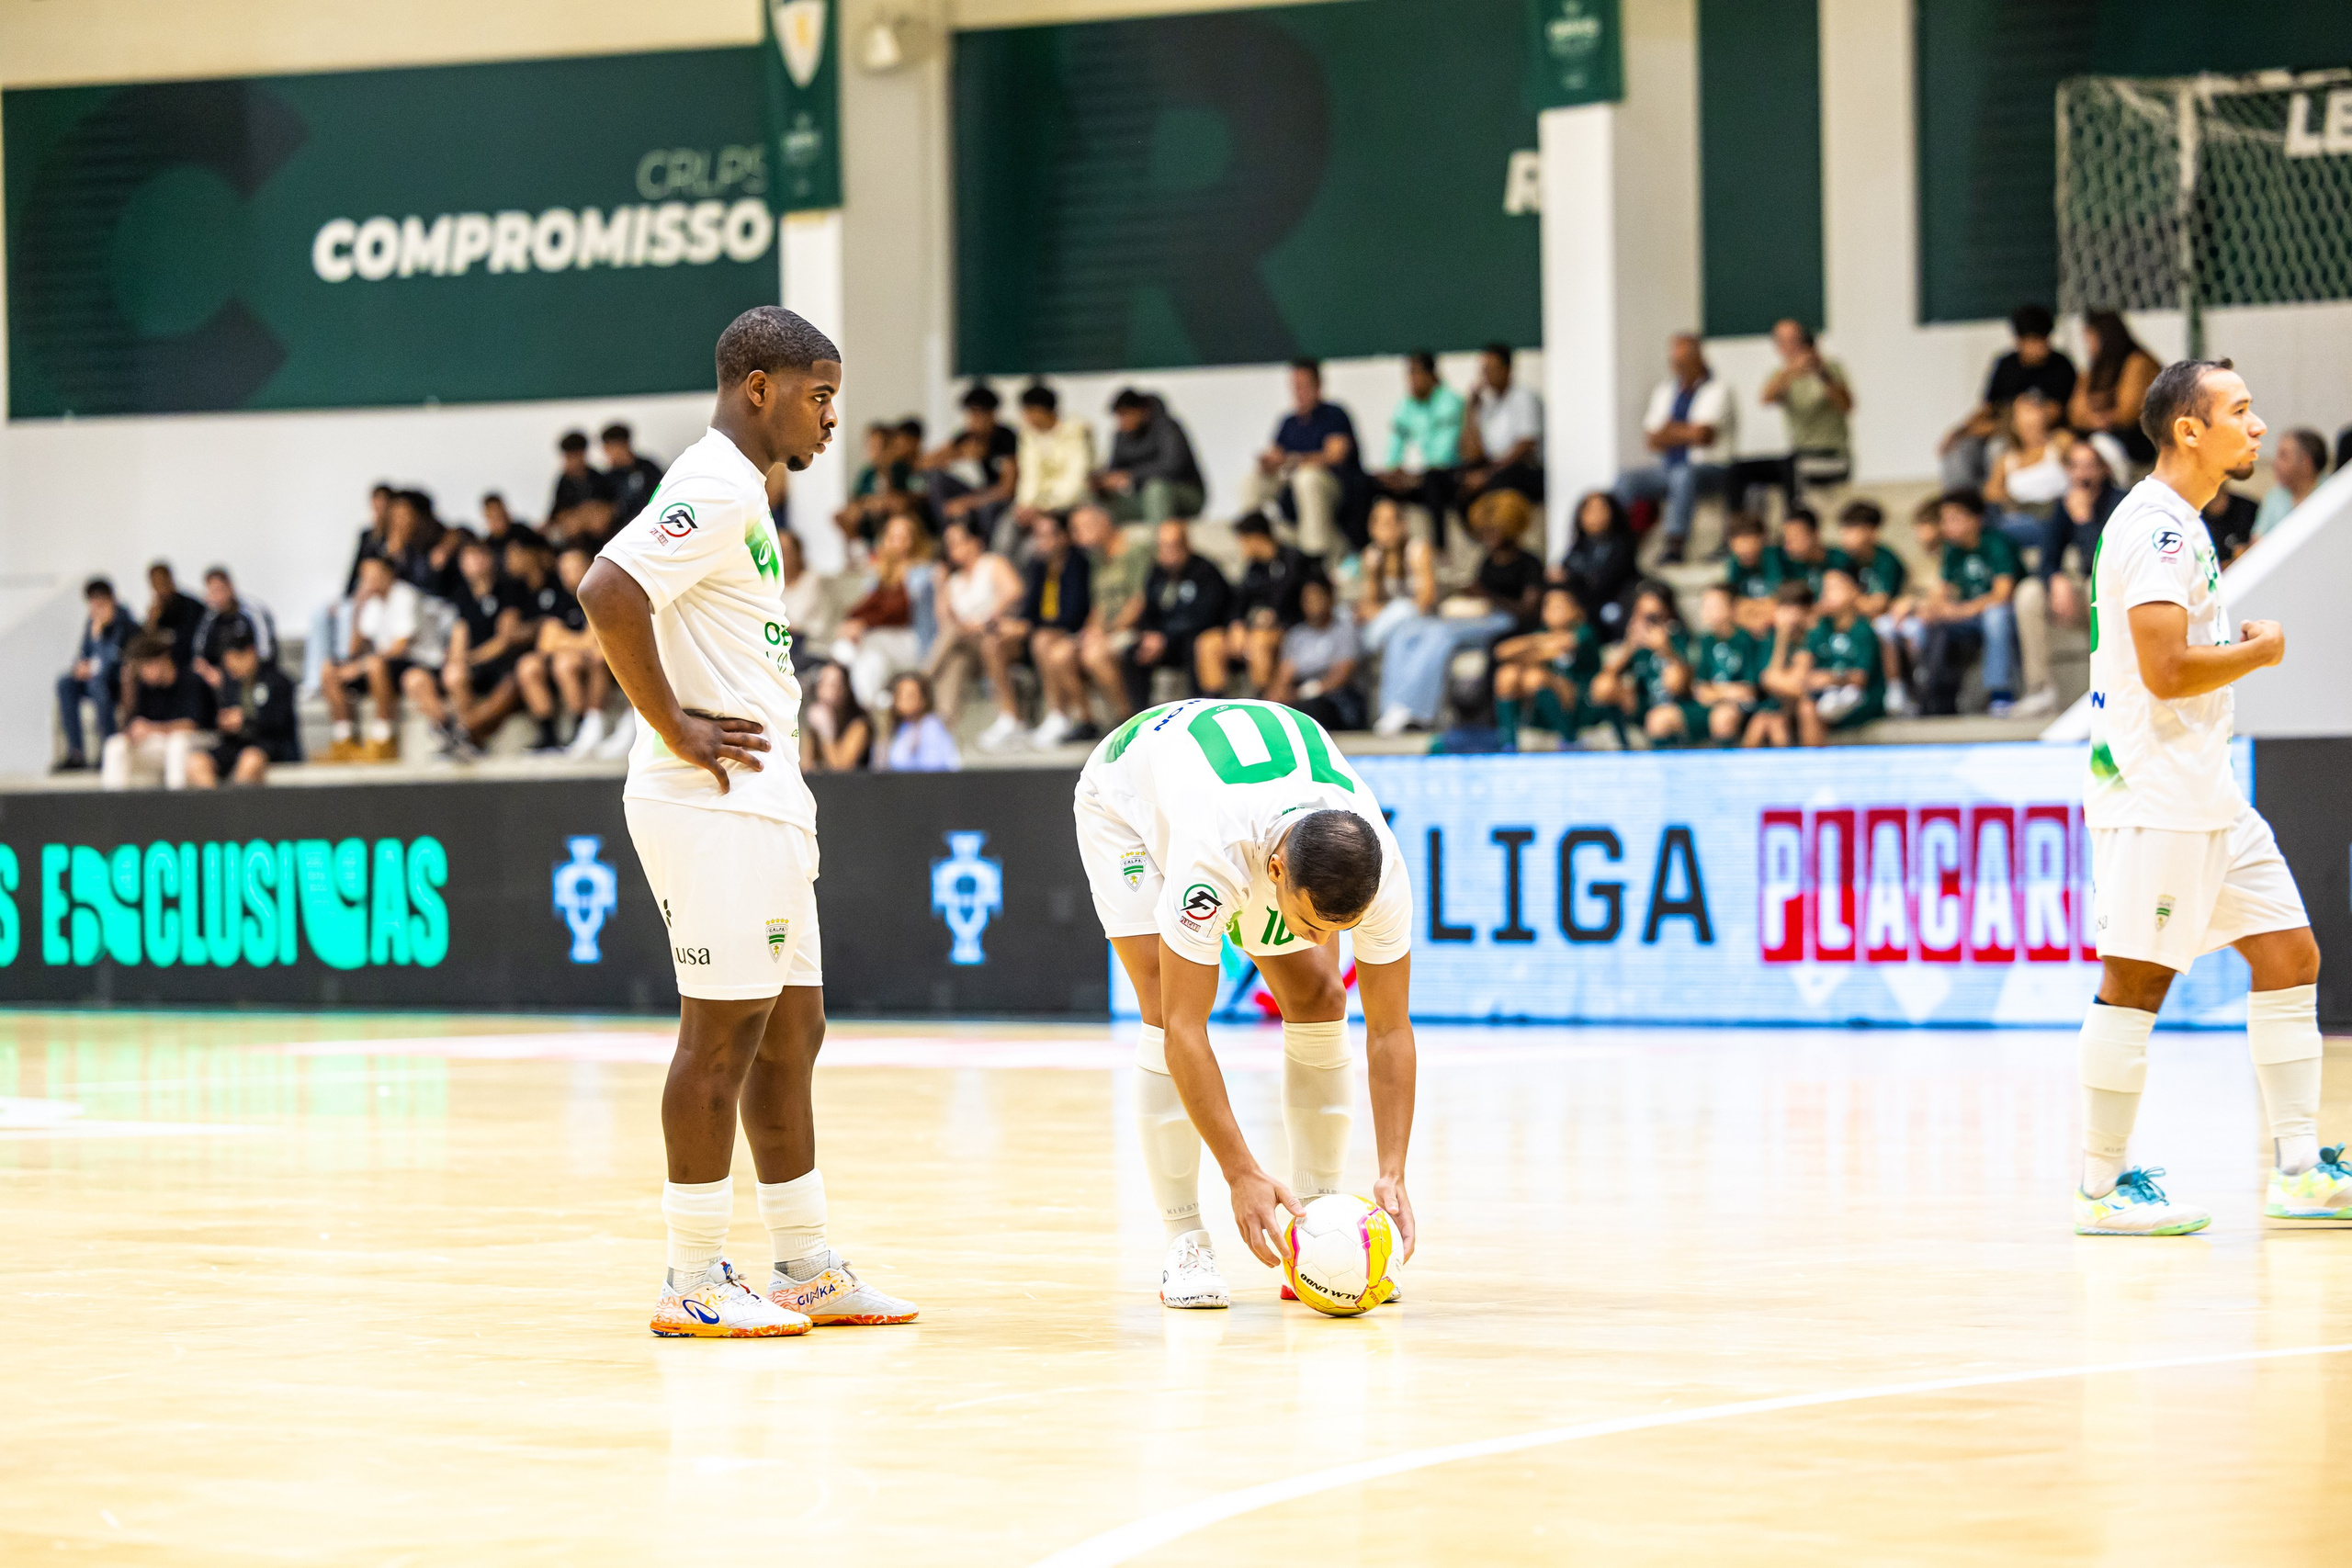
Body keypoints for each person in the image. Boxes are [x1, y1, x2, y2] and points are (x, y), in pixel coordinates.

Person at [576, 304, 916, 1338]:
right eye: (820, 396)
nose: (830, 418)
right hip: (711, 800)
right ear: (758, 388)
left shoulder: (743, 491)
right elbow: (606, 589)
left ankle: (804, 1266)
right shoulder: (717, 482)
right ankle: (691, 1276)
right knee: (720, 1033)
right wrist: (674, 725)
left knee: (793, 1030)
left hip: (765, 798)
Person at [2067, 356, 2338, 1237]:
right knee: (2136, 981)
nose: (2258, 426)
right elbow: (2166, 668)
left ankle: (2299, 1171)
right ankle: (2101, 1187)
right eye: (2241, 410)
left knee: (2290, 954)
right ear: (2190, 430)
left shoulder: (2183, 522)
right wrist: (2261, 652)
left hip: (2207, 790)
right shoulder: (2156, 529)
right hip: (2154, 794)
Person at [1072, 697, 1419, 1308]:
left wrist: (1393, 1168)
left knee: (1320, 994)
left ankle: (1315, 1228)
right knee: (1163, 1007)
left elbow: (1390, 1029)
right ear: (1278, 871)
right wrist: (1240, 1172)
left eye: (1339, 928)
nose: (1322, 941)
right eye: (1313, 923)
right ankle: (1185, 1240)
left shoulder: (1384, 869)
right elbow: (1186, 1030)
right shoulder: (1213, 856)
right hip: (1124, 798)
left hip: (1238, 789)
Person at [1370, 494, 1542, 736]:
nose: (1487, 536)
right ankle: (1392, 707)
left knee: (1441, 634)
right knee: (1410, 630)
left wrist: (1486, 596)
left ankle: (1419, 712)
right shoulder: (1487, 560)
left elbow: (1528, 611)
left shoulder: (1529, 563)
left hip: (1506, 622)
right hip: (1479, 618)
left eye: (1493, 530)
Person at [1617, 333, 1736, 565]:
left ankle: (1675, 546)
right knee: (1627, 480)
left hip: (1712, 469)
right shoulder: (1665, 391)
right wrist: (1684, 432)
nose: (1678, 367)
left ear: (1699, 359)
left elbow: (1703, 435)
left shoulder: (1718, 389)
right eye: (1675, 361)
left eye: (1684, 361)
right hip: (1668, 468)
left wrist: (1668, 430)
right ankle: (1621, 543)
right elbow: (1652, 439)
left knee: (1682, 475)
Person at [1939, 303, 2079, 490]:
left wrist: (1993, 428)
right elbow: (1988, 407)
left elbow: (2053, 414)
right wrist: (1961, 431)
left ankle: (1995, 501)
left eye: (2044, 339)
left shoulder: (2061, 366)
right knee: (1961, 449)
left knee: (1997, 449)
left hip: (2032, 434)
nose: (2040, 347)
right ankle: (1960, 500)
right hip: (1998, 426)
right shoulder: (2006, 364)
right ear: (2019, 340)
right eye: (2034, 341)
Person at [1244, 360, 1370, 557]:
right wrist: (1269, 464)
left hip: (1334, 488)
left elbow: (1335, 455)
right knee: (1252, 481)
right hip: (1292, 489)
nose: (1299, 392)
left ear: (1318, 385)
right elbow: (1277, 456)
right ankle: (1253, 544)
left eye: (1304, 386)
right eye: (1295, 386)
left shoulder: (1334, 415)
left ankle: (1314, 555)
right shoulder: (1288, 422)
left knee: (1307, 478)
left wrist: (1293, 460)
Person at [422, 535, 531, 757]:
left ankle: (464, 730)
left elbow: (505, 639)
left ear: (490, 559)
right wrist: (458, 661)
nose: (475, 562)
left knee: (513, 681)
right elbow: (460, 634)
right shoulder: (463, 594)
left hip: (504, 664)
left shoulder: (508, 588)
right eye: (469, 557)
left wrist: (471, 658)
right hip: (477, 665)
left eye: (479, 556)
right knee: (453, 674)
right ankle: (469, 739)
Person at [925, 518, 1027, 748]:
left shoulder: (993, 564)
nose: (955, 549)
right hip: (969, 644)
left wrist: (982, 622)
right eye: (950, 545)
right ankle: (943, 727)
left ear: (976, 542)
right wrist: (940, 586)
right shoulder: (953, 582)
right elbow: (945, 624)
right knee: (956, 660)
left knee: (971, 647)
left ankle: (923, 678)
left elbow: (1014, 592)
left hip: (998, 635)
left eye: (960, 541)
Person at [1737, 319, 1854, 511]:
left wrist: (1820, 372)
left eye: (1796, 341)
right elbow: (1767, 398)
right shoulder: (1783, 375)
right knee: (1740, 470)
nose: (1793, 348)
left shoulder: (1832, 369)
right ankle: (1739, 524)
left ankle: (1794, 521)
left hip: (1831, 457)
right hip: (1799, 455)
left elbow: (1846, 405)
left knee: (1791, 468)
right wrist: (1792, 371)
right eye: (1785, 342)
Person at [1121, 521, 1233, 712]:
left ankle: (1199, 710)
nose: (1169, 552)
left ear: (1186, 544)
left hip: (1193, 636)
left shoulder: (1205, 571)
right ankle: (1139, 714)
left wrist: (1166, 638)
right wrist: (1149, 634)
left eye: (1174, 545)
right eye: (1163, 546)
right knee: (1133, 653)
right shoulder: (1156, 573)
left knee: (1196, 645)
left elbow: (1206, 616)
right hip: (1163, 641)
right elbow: (1149, 610)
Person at [320, 555, 421, 761]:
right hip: (379, 663)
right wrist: (358, 609)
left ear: (389, 574)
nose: (369, 580)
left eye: (373, 575)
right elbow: (355, 649)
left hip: (412, 663)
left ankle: (383, 739)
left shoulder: (405, 595)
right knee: (329, 669)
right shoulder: (372, 603)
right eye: (365, 576)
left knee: (374, 664)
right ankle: (343, 741)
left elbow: (401, 647)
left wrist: (361, 666)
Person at [1008, 510, 1093, 748]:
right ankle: (1010, 718)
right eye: (1038, 535)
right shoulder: (1038, 565)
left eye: (1047, 535)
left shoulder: (1078, 562)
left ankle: (1059, 712)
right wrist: (1020, 625)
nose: (1042, 541)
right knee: (995, 642)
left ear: (1063, 536)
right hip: (1044, 629)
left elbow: (1076, 611)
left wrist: (1036, 627)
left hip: (1071, 629)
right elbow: (1031, 608)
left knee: (1043, 642)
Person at [831, 510, 929, 714]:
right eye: (892, 537)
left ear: (914, 541)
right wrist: (851, 623)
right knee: (869, 654)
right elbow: (865, 606)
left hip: (912, 640)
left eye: (903, 538)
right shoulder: (880, 573)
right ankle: (871, 702)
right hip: (881, 639)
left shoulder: (922, 573)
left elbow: (898, 611)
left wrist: (863, 624)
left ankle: (864, 698)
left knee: (869, 643)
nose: (896, 543)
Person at [1072, 503, 1155, 728]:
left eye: (1085, 527)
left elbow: (1139, 600)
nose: (1079, 535)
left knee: (1095, 655)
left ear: (1105, 523)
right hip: (1109, 629)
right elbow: (1098, 605)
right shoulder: (1097, 559)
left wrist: (1107, 631)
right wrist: (1093, 630)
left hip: (1135, 628)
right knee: (1063, 653)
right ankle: (1085, 721)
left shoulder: (1134, 551)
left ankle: (1127, 720)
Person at [101, 631, 215, 790]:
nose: (144, 672)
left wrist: (151, 728)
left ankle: (177, 802)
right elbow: (133, 723)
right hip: (160, 743)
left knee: (178, 742)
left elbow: (190, 725)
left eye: (147, 665)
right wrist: (128, 687)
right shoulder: (144, 687)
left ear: (163, 659)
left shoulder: (190, 680)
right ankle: (113, 803)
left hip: (200, 740)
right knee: (115, 745)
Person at [188, 626, 300, 786]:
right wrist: (223, 722)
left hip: (271, 743)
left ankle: (237, 802)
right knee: (196, 761)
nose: (231, 668)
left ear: (250, 653)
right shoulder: (230, 683)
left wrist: (246, 719)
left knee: (249, 759)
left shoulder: (278, 682)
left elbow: (279, 723)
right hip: (235, 744)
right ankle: (214, 802)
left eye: (234, 660)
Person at [1374, 351, 1464, 549]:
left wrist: (1415, 476)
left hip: (1448, 474)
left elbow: (1444, 454)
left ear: (1431, 375)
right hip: (1417, 475)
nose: (1411, 380)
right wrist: (1394, 471)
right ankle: (1372, 552)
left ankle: (1440, 550)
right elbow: (1395, 446)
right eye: (1409, 374)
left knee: (1433, 480)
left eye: (1416, 373)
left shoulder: (1450, 402)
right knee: (1370, 484)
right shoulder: (1405, 406)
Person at [1492, 586, 1600, 750]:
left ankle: (1568, 737)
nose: (1551, 611)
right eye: (1547, 605)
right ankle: (1509, 743)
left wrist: (1530, 651)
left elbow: (1560, 646)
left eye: (1558, 606)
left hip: (1581, 698)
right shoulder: (1541, 633)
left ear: (1574, 610)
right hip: (1546, 696)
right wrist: (1538, 642)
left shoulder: (1584, 632)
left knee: (1535, 676)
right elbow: (1500, 652)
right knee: (1507, 674)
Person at [1833, 500, 1912, 713]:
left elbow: (1880, 604)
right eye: (1844, 530)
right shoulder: (1842, 560)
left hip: (1888, 619)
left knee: (1883, 627)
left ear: (1871, 531)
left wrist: (1851, 598)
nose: (1845, 536)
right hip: (1854, 620)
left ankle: (1896, 689)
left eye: (1852, 529)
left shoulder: (1887, 560)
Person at [1792, 567, 1885, 744]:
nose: (1828, 594)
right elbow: (1803, 672)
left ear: (1853, 592)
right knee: (1806, 706)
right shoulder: (1820, 629)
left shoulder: (1863, 629)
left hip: (1862, 696)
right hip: (1827, 694)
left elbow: (1861, 677)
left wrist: (1830, 678)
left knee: (1816, 708)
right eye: (1825, 588)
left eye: (1835, 587)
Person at [1984, 388, 2075, 555]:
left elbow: (2080, 467)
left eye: (2034, 408)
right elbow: (1991, 494)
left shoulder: (2060, 442)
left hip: (2058, 516)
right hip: (2020, 518)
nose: (2030, 417)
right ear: (2013, 421)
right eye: (2024, 410)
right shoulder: (2006, 460)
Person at [2043, 440, 2126, 625]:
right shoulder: (2065, 503)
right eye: (2075, 467)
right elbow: (2048, 557)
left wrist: (2084, 521)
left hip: (2113, 579)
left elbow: (2102, 562)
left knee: (2093, 588)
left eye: (2089, 466)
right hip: (2078, 579)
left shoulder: (2120, 503)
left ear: (2104, 469)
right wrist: (2056, 577)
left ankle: (2103, 644)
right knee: (2029, 593)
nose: (2082, 474)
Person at [1095, 390, 1205, 526]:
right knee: (1099, 498)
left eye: (1126, 415)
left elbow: (1173, 466)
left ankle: (1162, 538)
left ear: (1142, 411)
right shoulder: (1120, 436)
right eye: (1119, 417)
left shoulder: (1167, 427)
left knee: (1156, 489)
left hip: (1184, 493)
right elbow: (1114, 469)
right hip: (1141, 498)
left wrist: (1132, 476)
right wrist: (1103, 481)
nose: (1123, 421)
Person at [1268, 576, 1363, 733]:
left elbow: (1343, 673)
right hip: (1300, 698)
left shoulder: (1344, 630)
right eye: (1307, 599)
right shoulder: (1296, 636)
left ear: (1329, 598)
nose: (1312, 603)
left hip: (1335, 700)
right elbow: (1284, 674)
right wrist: (1276, 698)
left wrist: (1307, 692)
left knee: (1310, 710)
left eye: (1317, 597)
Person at [55, 577, 131, 772]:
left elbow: (113, 661)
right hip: (94, 680)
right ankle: (76, 752)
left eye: (100, 604)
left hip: (115, 683)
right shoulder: (92, 622)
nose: (96, 609)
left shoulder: (124, 622)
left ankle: (108, 750)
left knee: (98, 684)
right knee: (65, 683)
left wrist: (99, 638)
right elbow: (84, 654)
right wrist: (79, 667)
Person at [922, 384, 1019, 539]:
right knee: (936, 479)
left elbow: (1007, 489)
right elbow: (926, 462)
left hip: (996, 497)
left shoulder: (1006, 438)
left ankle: (984, 547)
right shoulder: (965, 437)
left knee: (988, 510)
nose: (973, 420)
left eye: (978, 414)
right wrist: (957, 455)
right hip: (975, 490)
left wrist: (967, 502)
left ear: (992, 414)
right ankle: (949, 537)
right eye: (970, 414)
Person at [1229, 516, 1312, 695]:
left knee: (1259, 642)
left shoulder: (1293, 559)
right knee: (1211, 643)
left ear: (1256, 538)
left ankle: (1264, 698)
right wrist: (1237, 623)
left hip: (1297, 628)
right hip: (1265, 628)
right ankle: (1213, 696)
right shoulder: (1255, 567)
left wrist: (1274, 616)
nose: (1242, 547)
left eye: (1244, 541)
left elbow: (1297, 600)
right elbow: (1241, 599)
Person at [2069, 310, 2161, 469]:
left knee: (2099, 445)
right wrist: (2095, 420)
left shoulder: (2137, 362)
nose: (2088, 345)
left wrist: (2106, 418)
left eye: (2091, 338)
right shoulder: (2093, 370)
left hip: (2136, 438)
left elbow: (2129, 412)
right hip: (2101, 433)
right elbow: (2075, 413)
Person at [1457, 342, 1544, 508]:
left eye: (1492, 369)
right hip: (1494, 465)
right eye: (1484, 370)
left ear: (1507, 369)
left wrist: (1488, 474)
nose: (1487, 375)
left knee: (1500, 479)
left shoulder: (1524, 398)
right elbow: (1472, 453)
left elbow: (1526, 447)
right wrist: (1471, 410)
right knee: (1459, 481)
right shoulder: (1486, 403)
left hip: (1523, 469)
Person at [1010, 382, 1095, 546]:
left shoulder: (1076, 430)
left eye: (1029, 412)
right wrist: (1025, 504)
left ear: (1042, 411)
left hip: (1072, 503)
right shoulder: (1028, 435)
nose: (1026, 418)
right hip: (1037, 506)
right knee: (1009, 525)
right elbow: (1029, 475)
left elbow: (1075, 481)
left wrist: (1045, 506)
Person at [1354, 496, 1440, 657]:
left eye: (1391, 522)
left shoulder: (1417, 550)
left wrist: (1390, 612)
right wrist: (1384, 612)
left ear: (1403, 524)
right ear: (1372, 528)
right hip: (1387, 622)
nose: (1388, 529)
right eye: (1380, 523)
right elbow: (1368, 604)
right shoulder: (1371, 556)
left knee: (1403, 608)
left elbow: (1426, 600)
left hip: (1417, 619)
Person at [1683, 584, 1767, 746]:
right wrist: (1726, 692)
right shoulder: (1705, 641)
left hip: (1744, 707)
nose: (1708, 611)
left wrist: (1714, 691)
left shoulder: (1747, 640)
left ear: (1731, 608)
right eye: (1706, 605)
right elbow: (1700, 690)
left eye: (1715, 606)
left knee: (1722, 718)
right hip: (1711, 703)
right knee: (1660, 719)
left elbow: (1748, 690)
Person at [1554, 490, 1639, 642]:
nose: (1595, 515)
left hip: (1613, 607)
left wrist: (1571, 578)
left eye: (1601, 509)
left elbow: (1604, 583)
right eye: (1589, 510)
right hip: (1581, 609)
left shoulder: (1622, 546)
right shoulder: (1578, 548)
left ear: (1613, 513)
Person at [190, 567, 277, 691]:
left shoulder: (252, 611)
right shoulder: (209, 617)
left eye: (220, 590)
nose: (217, 597)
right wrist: (209, 673)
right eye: (212, 591)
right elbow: (198, 654)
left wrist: (241, 669)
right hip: (219, 678)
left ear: (230, 587)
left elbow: (265, 653)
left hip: (252, 675)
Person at [2249, 427, 2326, 543]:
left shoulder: (2330, 493)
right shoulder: (2274, 497)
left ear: (2306, 462)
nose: (2275, 463)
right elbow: (2258, 542)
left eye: (2283, 456)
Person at [799, 660, 872, 774]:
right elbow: (805, 767)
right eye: (822, 684)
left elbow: (841, 768)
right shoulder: (815, 718)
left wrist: (826, 733)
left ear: (845, 689)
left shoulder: (859, 724)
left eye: (833, 685)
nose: (826, 691)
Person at [881, 671, 959, 772]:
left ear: (923, 700)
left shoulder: (931, 726)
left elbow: (935, 765)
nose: (903, 700)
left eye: (910, 695)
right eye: (900, 695)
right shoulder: (895, 727)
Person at [1721, 513, 1779, 636]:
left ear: (1761, 540)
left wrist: (1749, 608)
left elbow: (1776, 602)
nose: (1745, 554)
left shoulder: (1772, 558)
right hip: (1749, 625)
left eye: (1750, 551)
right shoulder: (1734, 563)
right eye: (1741, 554)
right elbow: (1733, 606)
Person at [601, 423, 665, 529]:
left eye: (610, 448)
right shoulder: (609, 478)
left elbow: (661, 495)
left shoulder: (648, 469)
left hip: (651, 525)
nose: (607, 453)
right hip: (622, 530)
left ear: (624, 445)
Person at [144, 561, 206, 667]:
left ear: (170, 580)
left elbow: (189, 639)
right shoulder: (157, 612)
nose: (160, 588)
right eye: (155, 584)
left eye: (162, 582)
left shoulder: (191, 606)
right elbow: (147, 643)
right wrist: (152, 621)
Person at [549, 430, 611, 521]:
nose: (567, 462)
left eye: (571, 457)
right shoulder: (565, 480)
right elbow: (557, 513)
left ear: (581, 455)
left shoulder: (598, 480)